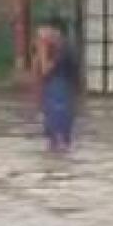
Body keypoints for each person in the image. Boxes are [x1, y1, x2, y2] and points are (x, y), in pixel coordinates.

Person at [35, 18, 79, 153]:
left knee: (58, 128)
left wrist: (42, 51)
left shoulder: (62, 48)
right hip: (55, 89)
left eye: (44, 32)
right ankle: (57, 149)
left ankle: (60, 149)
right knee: (53, 129)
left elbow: (45, 70)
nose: (41, 36)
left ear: (55, 31)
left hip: (59, 89)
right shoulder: (57, 47)